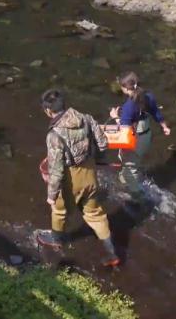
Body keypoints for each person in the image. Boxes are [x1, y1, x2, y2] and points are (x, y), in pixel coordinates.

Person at [37, 89, 120, 267]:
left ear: (48, 111)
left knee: (59, 211)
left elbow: (57, 169)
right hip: (90, 173)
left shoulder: (54, 135)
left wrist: (51, 195)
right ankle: (112, 254)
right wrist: (96, 159)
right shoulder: (87, 118)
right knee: (95, 214)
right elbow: (103, 144)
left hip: (70, 179)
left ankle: (56, 239)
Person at [109, 71, 171, 197]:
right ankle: (129, 177)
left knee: (129, 170)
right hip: (146, 136)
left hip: (134, 139)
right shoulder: (148, 96)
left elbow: (124, 128)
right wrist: (165, 127)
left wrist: (115, 117)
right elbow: (156, 113)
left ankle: (139, 197)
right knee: (130, 161)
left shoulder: (129, 106)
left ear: (126, 88)